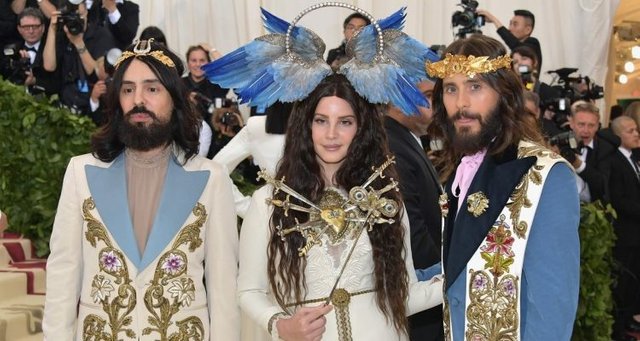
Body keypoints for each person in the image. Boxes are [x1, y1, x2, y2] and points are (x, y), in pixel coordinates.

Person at [205, 5, 443, 340]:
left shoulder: (385, 199)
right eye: (321, 121)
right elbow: (249, 291)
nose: (332, 134)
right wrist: (280, 325)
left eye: (345, 122)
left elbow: (403, 296)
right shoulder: (270, 203)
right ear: (306, 126)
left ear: (360, 129)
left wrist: (463, 274)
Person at [42, 39, 240, 340]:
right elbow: (62, 277)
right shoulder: (80, 173)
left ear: (174, 99)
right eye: (127, 89)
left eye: (152, 89)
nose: (138, 100)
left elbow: (224, 288)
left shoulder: (211, 178)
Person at [426, 34, 580, 340]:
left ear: (504, 94)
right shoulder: (457, 170)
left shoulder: (547, 175)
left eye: (475, 87)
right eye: (451, 89)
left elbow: (552, 306)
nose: (461, 104)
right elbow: (461, 263)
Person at [383, 80, 444, 340]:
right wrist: (443, 279)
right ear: (399, 97)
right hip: (421, 292)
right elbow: (410, 227)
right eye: (429, 95)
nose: (437, 105)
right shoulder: (391, 142)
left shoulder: (406, 137)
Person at [213, 101, 291, 218]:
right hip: (272, 223)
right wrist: (247, 209)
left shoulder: (322, 129)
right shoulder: (257, 128)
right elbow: (215, 170)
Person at [602, 116, 640, 341]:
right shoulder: (614, 161)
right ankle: (619, 328)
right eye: (630, 131)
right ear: (618, 136)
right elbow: (619, 199)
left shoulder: (635, 158)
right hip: (626, 235)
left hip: (636, 235)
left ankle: (629, 322)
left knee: (635, 284)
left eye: (636, 129)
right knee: (624, 284)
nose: (636, 134)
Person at [43, 0, 116, 115]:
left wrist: (78, 43)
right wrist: (52, 29)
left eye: (80, 16)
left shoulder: (101, 35)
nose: (76, 20)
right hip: (64, 105)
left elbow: (100, 73)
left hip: (92, 107)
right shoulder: (63, 34)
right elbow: (49, 66)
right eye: (72, 17)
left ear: (86, 13)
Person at [0, 7, 59, 96]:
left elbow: (58, 83)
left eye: (35, 26)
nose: (31, 31)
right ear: (19, 29)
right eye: (26, 27)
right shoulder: (11, 50)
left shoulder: (52, 49)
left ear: (43, 28)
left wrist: (34, 81)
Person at [568, 100, 616, 203]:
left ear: (598, 126)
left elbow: (603, 185)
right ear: (571, 123)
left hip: (593, 211)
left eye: (591, 125)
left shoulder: (606, 149)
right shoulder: (560, 144)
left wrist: (579, 165)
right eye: (581, 124)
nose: (586, 130)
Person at [477, 9, 542, 72]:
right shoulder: (515, 51)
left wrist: (494, 20)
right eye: (510, 24)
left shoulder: (533, 43)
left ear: (528, 30)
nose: (509, 28)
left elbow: (515, 44)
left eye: (515, 24)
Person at [183, 44, 230, 131]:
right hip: (185, 137)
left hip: (215, 139)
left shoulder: (217, 84)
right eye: (193, 60)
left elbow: (227, 69)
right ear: (188, 63)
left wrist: (210, 49)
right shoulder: (179, 84)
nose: (198, 64)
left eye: (202, 60)